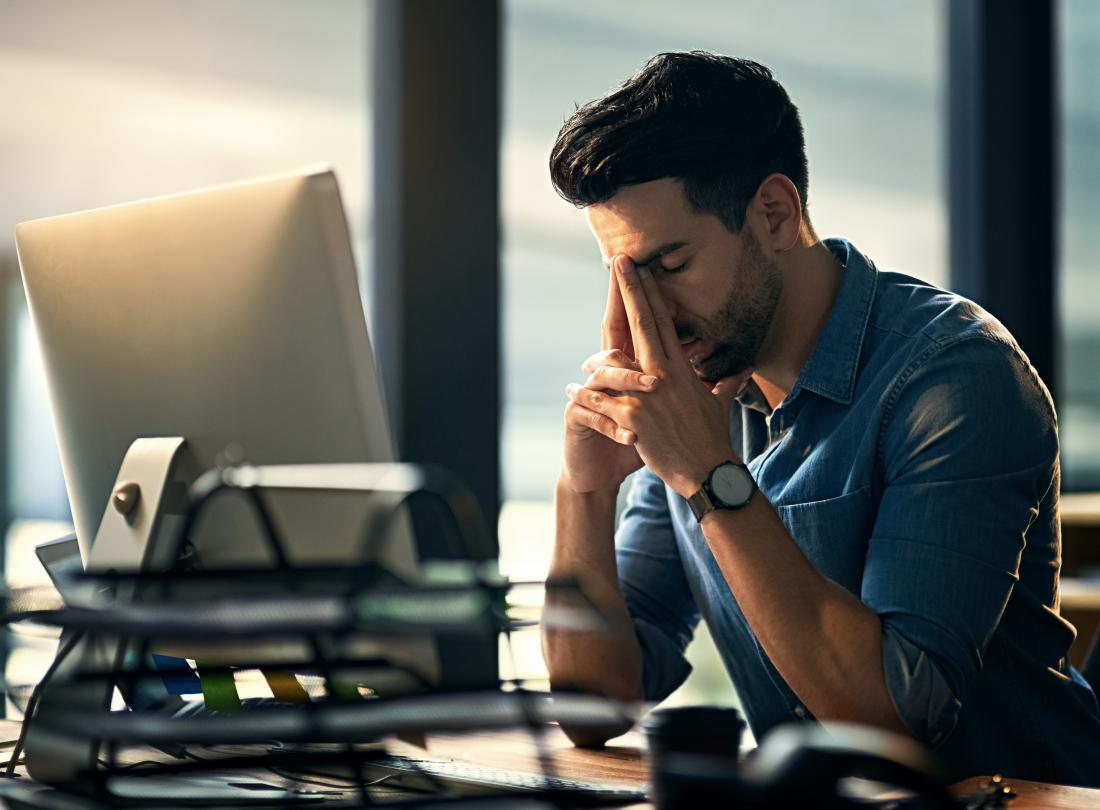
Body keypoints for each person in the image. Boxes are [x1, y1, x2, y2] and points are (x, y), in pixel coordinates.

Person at [541, 50, 1100, 785]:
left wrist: (712, 478)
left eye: (669, 266)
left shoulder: (956, 378)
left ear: (773, 213)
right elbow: (597, 706)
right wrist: (583, 489)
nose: (648, 317)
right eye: (625, 276)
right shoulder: (697, 388)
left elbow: (897, 722)